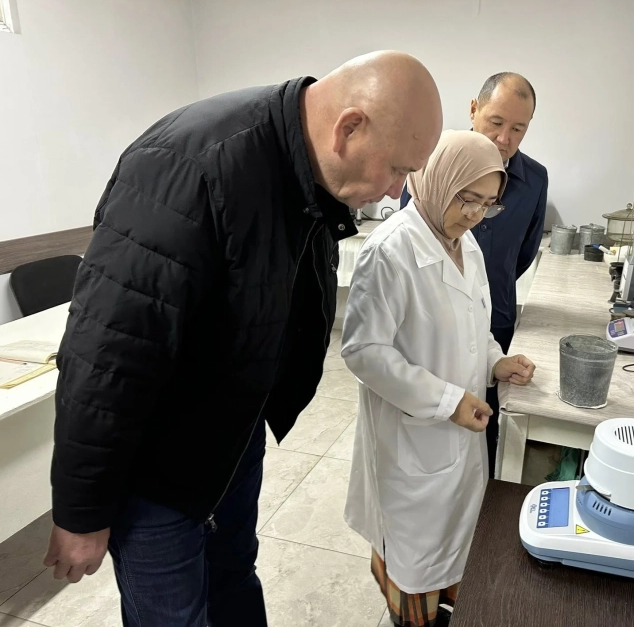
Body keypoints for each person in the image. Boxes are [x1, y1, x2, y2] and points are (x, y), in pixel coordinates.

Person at [43, 51, 443, 626]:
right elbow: (107, 353)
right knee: (173, 615)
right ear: (349, 128)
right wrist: (81, 512)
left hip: (231, 436)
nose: (394, 191)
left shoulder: (306, 170)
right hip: (159, 468)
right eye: (397, 169)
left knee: (233, 576)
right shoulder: (189, 168)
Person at [342, 130, 537, 627]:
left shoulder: (465, 245)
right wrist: (447, 400)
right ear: (437, 180)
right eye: (467, 198)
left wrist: (495, 361)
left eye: (488, 204)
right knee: (416, 564)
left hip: (459, 442)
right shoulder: (390, 250)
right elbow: (364, 351)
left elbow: (474, 326)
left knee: (456, 551)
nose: (475, 214)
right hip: (412, 442)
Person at [400, 72, 548, 478]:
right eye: (496, 122)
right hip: (430, 323)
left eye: (518, 129)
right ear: (473, 109)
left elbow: (523, 254)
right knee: (431, 424)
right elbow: (413, 238)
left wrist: (482, 290)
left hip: (493, 318)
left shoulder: (534, 180)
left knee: (486, 421)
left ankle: (480, 498)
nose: (503, 138)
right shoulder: (432, 162)